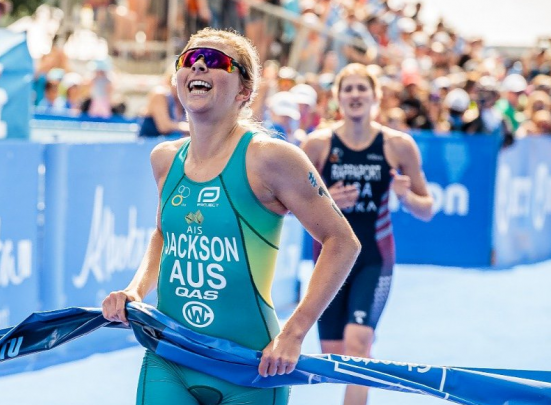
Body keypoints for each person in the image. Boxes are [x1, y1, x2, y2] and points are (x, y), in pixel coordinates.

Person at [102, 28, 361, 405]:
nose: (200, 64)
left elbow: (342, 242)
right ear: (177, 79)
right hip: (169, 358)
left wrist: (295, 331)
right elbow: (163, 234)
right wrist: (136, 290)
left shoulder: (271, 158)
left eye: (217, 60)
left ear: (244, 91)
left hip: (252, 367)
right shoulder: (164, 158)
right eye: (189, 59)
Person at [301, 63, 433, 405]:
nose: (356, 95)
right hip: (329, 256)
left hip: (373, 256)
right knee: (334, 351)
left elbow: (427, 208)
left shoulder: (397, 145)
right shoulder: (317, 144)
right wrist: (325, 198)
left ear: (375, 97)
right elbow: (291, 204)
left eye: (363, 89)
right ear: (338, 98)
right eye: (349, 89)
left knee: (358, 343)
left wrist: (405, 195)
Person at [138, 73, 189, 137]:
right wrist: (188, 128)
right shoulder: (159, 94)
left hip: (173, 144)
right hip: (148, 144)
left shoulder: (184, 101)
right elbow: (164, 127)